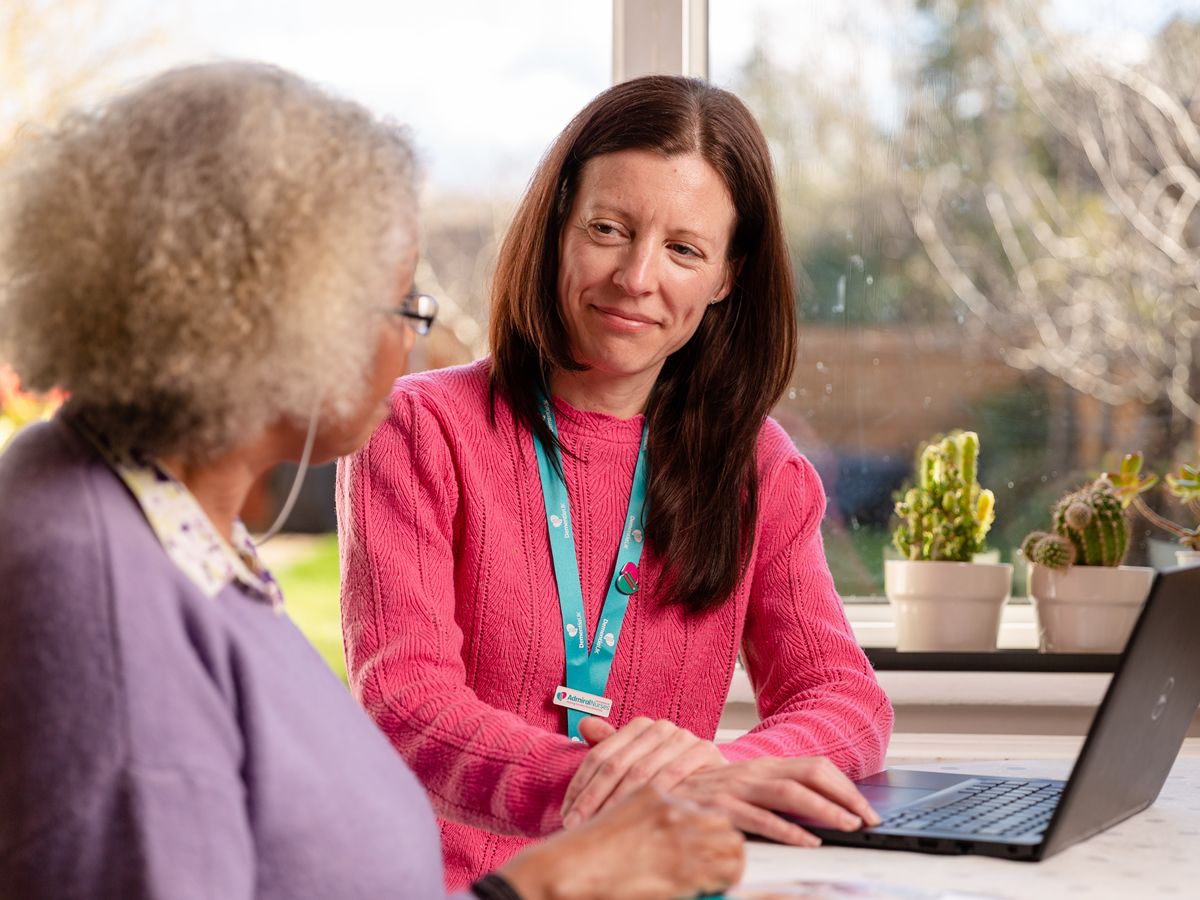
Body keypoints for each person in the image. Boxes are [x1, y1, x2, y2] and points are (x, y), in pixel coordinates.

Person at [0, 62, 745, 900]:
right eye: (402, 305)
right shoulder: (93, 586)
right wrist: (547, 886)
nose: (414, 346)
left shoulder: (163, 522)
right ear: (282, 321)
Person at [337, 74, 895, 890]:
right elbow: (405, 703)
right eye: (609, 228)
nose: (637, 277)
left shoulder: (758, 469)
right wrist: (638, 790)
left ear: (726, 277)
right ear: (559, 225)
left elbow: (844, 698)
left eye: (684, 249)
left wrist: (724, 771)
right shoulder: (418, 429)